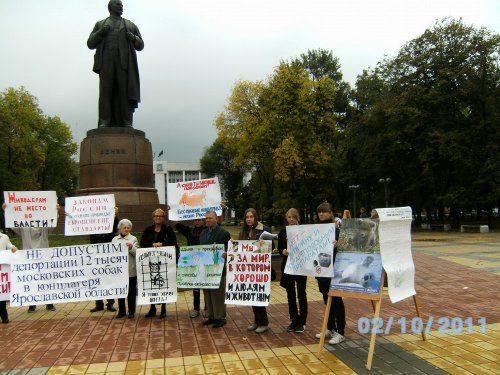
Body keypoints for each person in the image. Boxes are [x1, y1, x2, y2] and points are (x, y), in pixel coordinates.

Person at [87, 0, 144, 128]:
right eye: (118, 4)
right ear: (110, 7)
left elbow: (141, 45)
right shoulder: (100, 24)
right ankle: (104, 121)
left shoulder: (130, 25)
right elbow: (90, 43)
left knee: (125, 92)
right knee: (105, 92)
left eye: (122, 5)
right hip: (106, 61)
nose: (121, 7)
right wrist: (101, 32)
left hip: (124, 63)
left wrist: (134, 38)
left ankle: (127, 122)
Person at [2, 203, 57, 313]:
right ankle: (32, 304)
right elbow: (13, 224)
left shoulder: (44, 225)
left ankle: (49, 303)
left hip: (43, 256)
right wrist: (6, 211)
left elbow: (52, 225)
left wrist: (55, 211)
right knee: (31, 281)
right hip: (28, 258)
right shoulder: (23, 226)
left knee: (45, 280)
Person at [315, 202, 346, 344]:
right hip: (322, 270)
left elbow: (345, 248)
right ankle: (330, 328)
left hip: (334, 270)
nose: (321, 214)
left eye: (324, 211)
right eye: (319, 212)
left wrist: (338, 244)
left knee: (337, 300)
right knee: (326, 299)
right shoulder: (317, 229)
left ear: (330, 213)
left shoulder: (336, 230)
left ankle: (340, 331)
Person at [238, 208, 272, 334]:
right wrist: (233, 245)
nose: (249, 219)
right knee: (252, 294)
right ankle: (257, 320)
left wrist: (263, 244)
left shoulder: (264, 230)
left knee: (259, 295)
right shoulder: (244, 232)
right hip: (248, 269)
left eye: (251, 216)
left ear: (256, 217)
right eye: (247, 217)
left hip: (260, 269)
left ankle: (264, 322)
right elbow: (240, 249)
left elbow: (270, 247)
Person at [140, 208, 178, 318]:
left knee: (163, 283)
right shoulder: (148, 229)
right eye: (156, 216)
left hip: (164, 262)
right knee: (151, 284)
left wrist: (163, 244)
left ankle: (163, 308)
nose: (158, 218)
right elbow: (143, 243)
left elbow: (173, 243)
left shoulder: (168, 229)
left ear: (163, 218)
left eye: (160, 216)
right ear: (153, 217)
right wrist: (153, 244)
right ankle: (152, 308)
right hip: (150, 262)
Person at [278, 208, 308, 333]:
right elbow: (280, 248)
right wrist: (283, 251)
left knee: (301, 293)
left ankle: (303, 321)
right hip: (288, 266)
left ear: (298, 218)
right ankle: (294, 319)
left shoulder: (304, 231)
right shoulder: (283, 232)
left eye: (293, 217)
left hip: (301, 266)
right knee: (290, 294)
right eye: (289, 217)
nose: (291, 219)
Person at [199, 211, 230, 328]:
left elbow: (229, 249)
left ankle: (220, 317)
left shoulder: (223, 233)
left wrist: (226, 253)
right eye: (206, 218)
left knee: (218, 294)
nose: (207, 220)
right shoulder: (203, 233)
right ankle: (211, 316)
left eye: (210, 218)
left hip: (218, 269)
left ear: (216, 219)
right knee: (207, 293)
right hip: (205, 269)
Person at [174, 217, 206, 318]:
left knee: (207, 286)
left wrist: (221, 209)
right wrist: (173, 212)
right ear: (193, 221)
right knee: (195, 287)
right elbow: (176, 224)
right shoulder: (189, 231)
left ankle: (207, 308)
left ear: (203, 220)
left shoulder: (208, 230)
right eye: (196, 220)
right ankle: (196, 309)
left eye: (200, 219)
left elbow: (218, 222)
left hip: (205, 262)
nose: (197, 221)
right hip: (193, 262)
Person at [89, 207, 119, 313]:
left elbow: (116, 227)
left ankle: (110, 303)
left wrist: (114, 216)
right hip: (96, 257)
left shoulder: (110, 231)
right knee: (97, 280)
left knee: (108, 280)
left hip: (107, 258)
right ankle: (99, 303)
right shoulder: (92, 230)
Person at [113, 219, 138, 319]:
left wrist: (131, 247)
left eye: (128, 228)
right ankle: (122, 311)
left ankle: (131, 311)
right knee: (121, 292)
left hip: (130, 270)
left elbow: (137, 252)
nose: (126, 229)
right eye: (124, 227)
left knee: (131, 292)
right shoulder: (114, 240)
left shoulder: (133, 238)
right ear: (120, 229)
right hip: (119, 271)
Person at [0, 232, 17, 324]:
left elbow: (9, 245)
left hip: (2, 270)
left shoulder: (4, 237)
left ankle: (4, 317)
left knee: (1, 295)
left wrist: (13, 248)